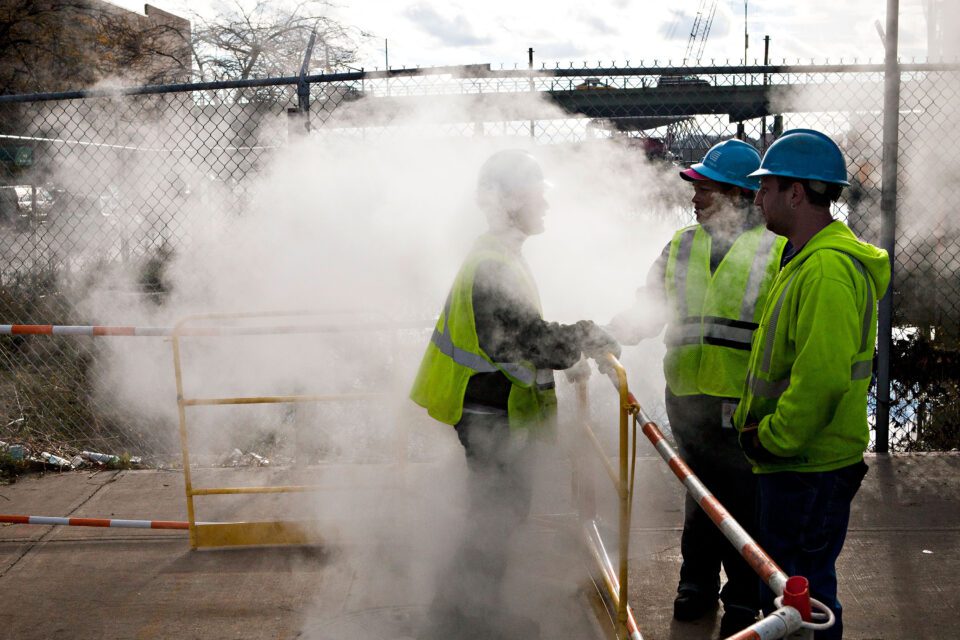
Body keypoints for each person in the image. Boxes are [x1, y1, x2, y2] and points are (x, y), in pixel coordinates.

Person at [410, 148, 620, 640]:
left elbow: (521, 339)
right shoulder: (492, 264)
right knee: (494, 516)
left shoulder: (500, 255)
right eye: (535, 194)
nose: (544, 204)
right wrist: (587, 335)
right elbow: (524, 340)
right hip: (488, 413)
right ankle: (468, 620)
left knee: (496, 513)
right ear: (506, 201)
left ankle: (463, 614)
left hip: (490, 409)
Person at [608, 139, 787, 636]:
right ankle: (697, 584)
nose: (694, 198)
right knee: (699, 492)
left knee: (745, 503)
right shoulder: (683, 245)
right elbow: (650, 305)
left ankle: (745, 600)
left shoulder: (776, 252)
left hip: (747, 402)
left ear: (734, 196)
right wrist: (609, 333)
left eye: (704, 190)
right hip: (687, 397)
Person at [733, 129, 891, 639]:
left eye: (766, 187)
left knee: (800, 603)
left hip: (804, 465)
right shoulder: (807, 258)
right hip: (803, 464)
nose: (757, 197)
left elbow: (820, 380)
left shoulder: (824, 270)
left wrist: (772, 437)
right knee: (792, 594)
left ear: (796, 193)